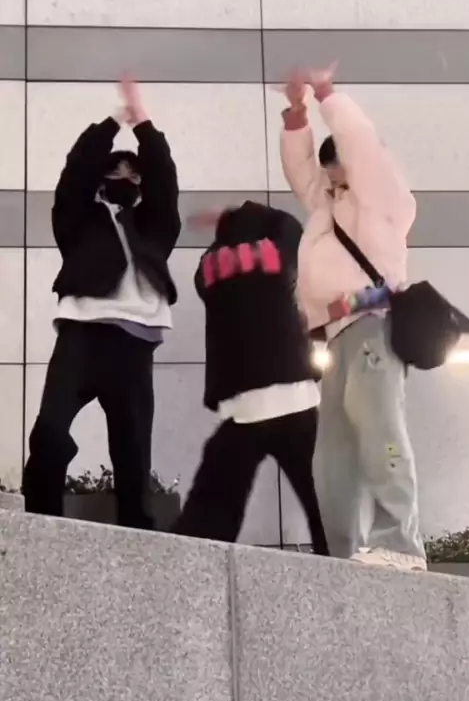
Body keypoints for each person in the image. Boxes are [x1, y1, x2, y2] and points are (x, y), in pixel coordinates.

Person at [279, 63, 426, 572]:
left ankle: (400, 544)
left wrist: (326, 95)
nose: (331, 180)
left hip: (373, 327)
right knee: (332, 459)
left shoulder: (383, 197)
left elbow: (361, 146)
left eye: (338, 170)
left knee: (382, 433)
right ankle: (344, 556)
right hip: (339, 336)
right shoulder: (333, 205)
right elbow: (302, 174)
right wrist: (297, 114)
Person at [22, 78, 181, 530]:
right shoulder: (78, 221)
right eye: (117, 174)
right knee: (50, 433)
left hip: (136, 345)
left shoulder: (153, 227)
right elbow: (75, 173)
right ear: (101, 181)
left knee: (133, 461)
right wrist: (114, 121)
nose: (127, 180)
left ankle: (138, 547)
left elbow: (165, 183)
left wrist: (143, 123)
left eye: (135, 176)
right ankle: (41, 528)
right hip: (82, 336)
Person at [172, 200, 329, 555]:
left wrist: (227, 224)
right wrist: (241, 213)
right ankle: (341, 565)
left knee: (210, 514)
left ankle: (191, 565)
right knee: (323, 508)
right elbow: (291, 226)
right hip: (294, 397)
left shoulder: (210, 267)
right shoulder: (280, 252)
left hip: (245, 408)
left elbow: (203, 283)